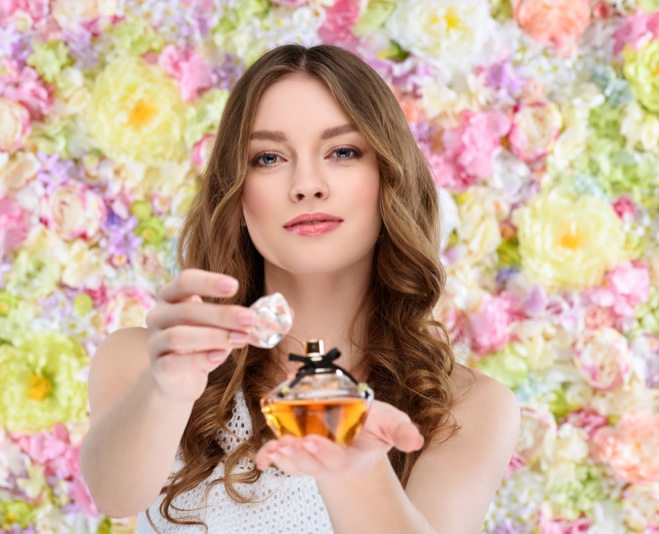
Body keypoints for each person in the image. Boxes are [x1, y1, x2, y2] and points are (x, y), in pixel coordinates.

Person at [79, 43, 521, 534]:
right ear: (237, 191)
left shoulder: (467, 406)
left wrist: (354, 465)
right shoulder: (143, 360)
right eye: (269, 157)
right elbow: (114, 494)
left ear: (389, 177)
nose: (307, 184)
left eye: (343, 152)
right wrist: (165, 391)